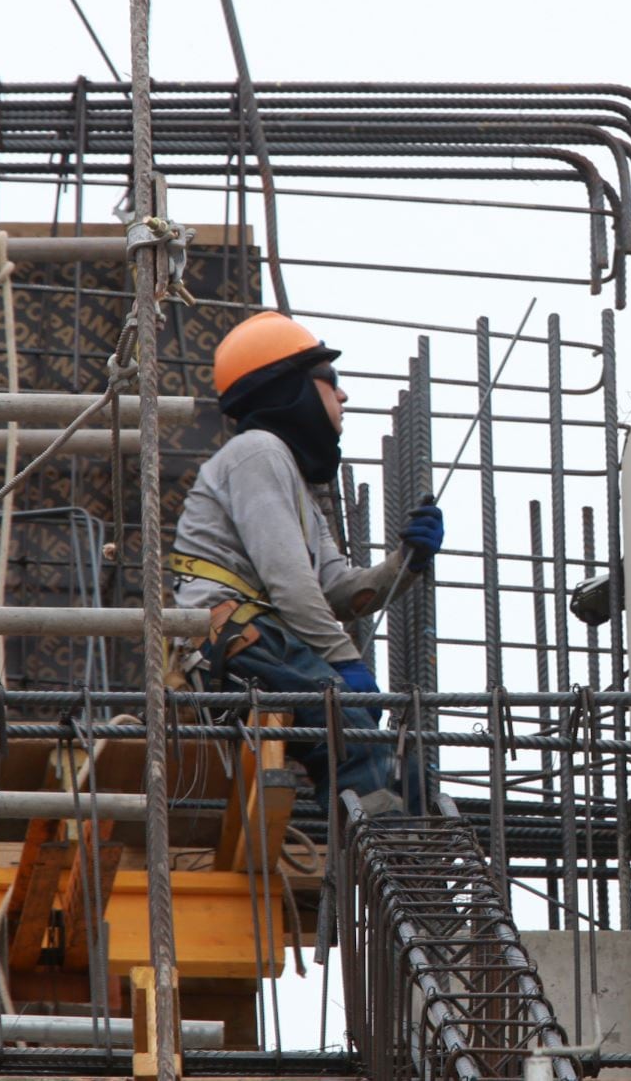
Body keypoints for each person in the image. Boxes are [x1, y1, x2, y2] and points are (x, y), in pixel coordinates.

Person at [170, 310, 445, 817]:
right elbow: (290, 585)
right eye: (329, 381)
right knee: (353, 733)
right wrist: (346, 664)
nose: (343, 396)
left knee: (395, 757)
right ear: (291, 388)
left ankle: (402, 831)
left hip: (263, 637)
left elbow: (337, 591)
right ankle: (380, 840)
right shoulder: (256, 453)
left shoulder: (294, 482)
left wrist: (407, 561)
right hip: (234, 636)